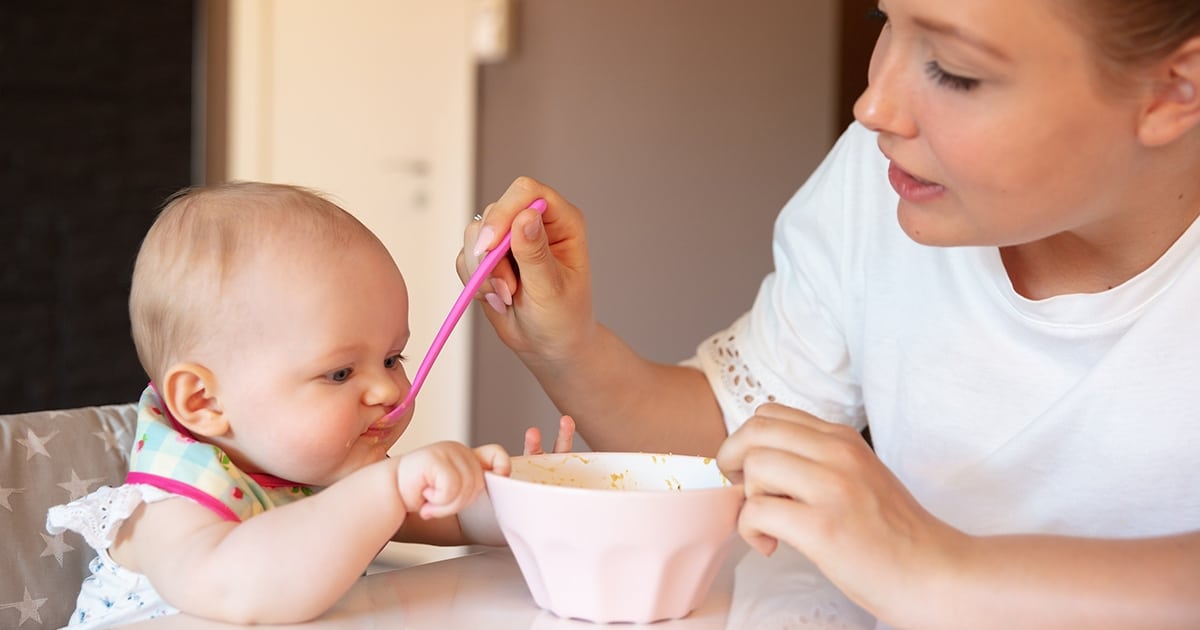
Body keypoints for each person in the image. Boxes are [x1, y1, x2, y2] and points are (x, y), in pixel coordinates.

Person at [460, 0, 1200, 627]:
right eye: (890, 21)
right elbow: (733, 434)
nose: (873, 104)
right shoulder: (885, 183)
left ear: (1175, 90)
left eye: (953, 69)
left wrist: (935, 571)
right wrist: (567, 350)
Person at [44, 182, 544, 627]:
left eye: (392, 358)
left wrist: (528, 498)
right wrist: (386, 488)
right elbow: (244, 593)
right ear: (204, 400)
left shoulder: (321, 465)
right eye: (341, 373)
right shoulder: (164, 510)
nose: (389, 391)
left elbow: (457, 518)